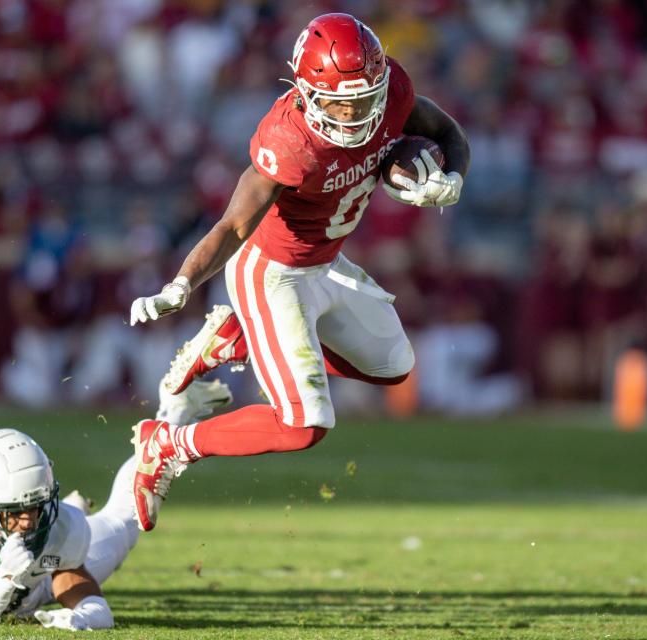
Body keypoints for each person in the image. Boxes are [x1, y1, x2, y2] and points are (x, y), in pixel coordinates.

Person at [127, 13, 470, 532]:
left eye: (363, 98)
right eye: (341, 100)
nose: (355, 112)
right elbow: (233, 226)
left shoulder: (392, 93)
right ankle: (168, 445)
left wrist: (453, 179)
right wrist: (181, 284)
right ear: (305, 88)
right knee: (303, 425)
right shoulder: (290, 141)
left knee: (393, 366)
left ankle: (233, 338)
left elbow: (446, 131)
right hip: (272, 274)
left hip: (327, 265)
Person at [0, 380, 230, 628]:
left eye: (37, 505)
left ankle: (172, 414)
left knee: (125, 520)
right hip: (19, 585)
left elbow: (96, 608)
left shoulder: (62, 527)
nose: (29, 521)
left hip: (43, 586)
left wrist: (80, 619)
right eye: (14, 511)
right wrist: (6, 578)